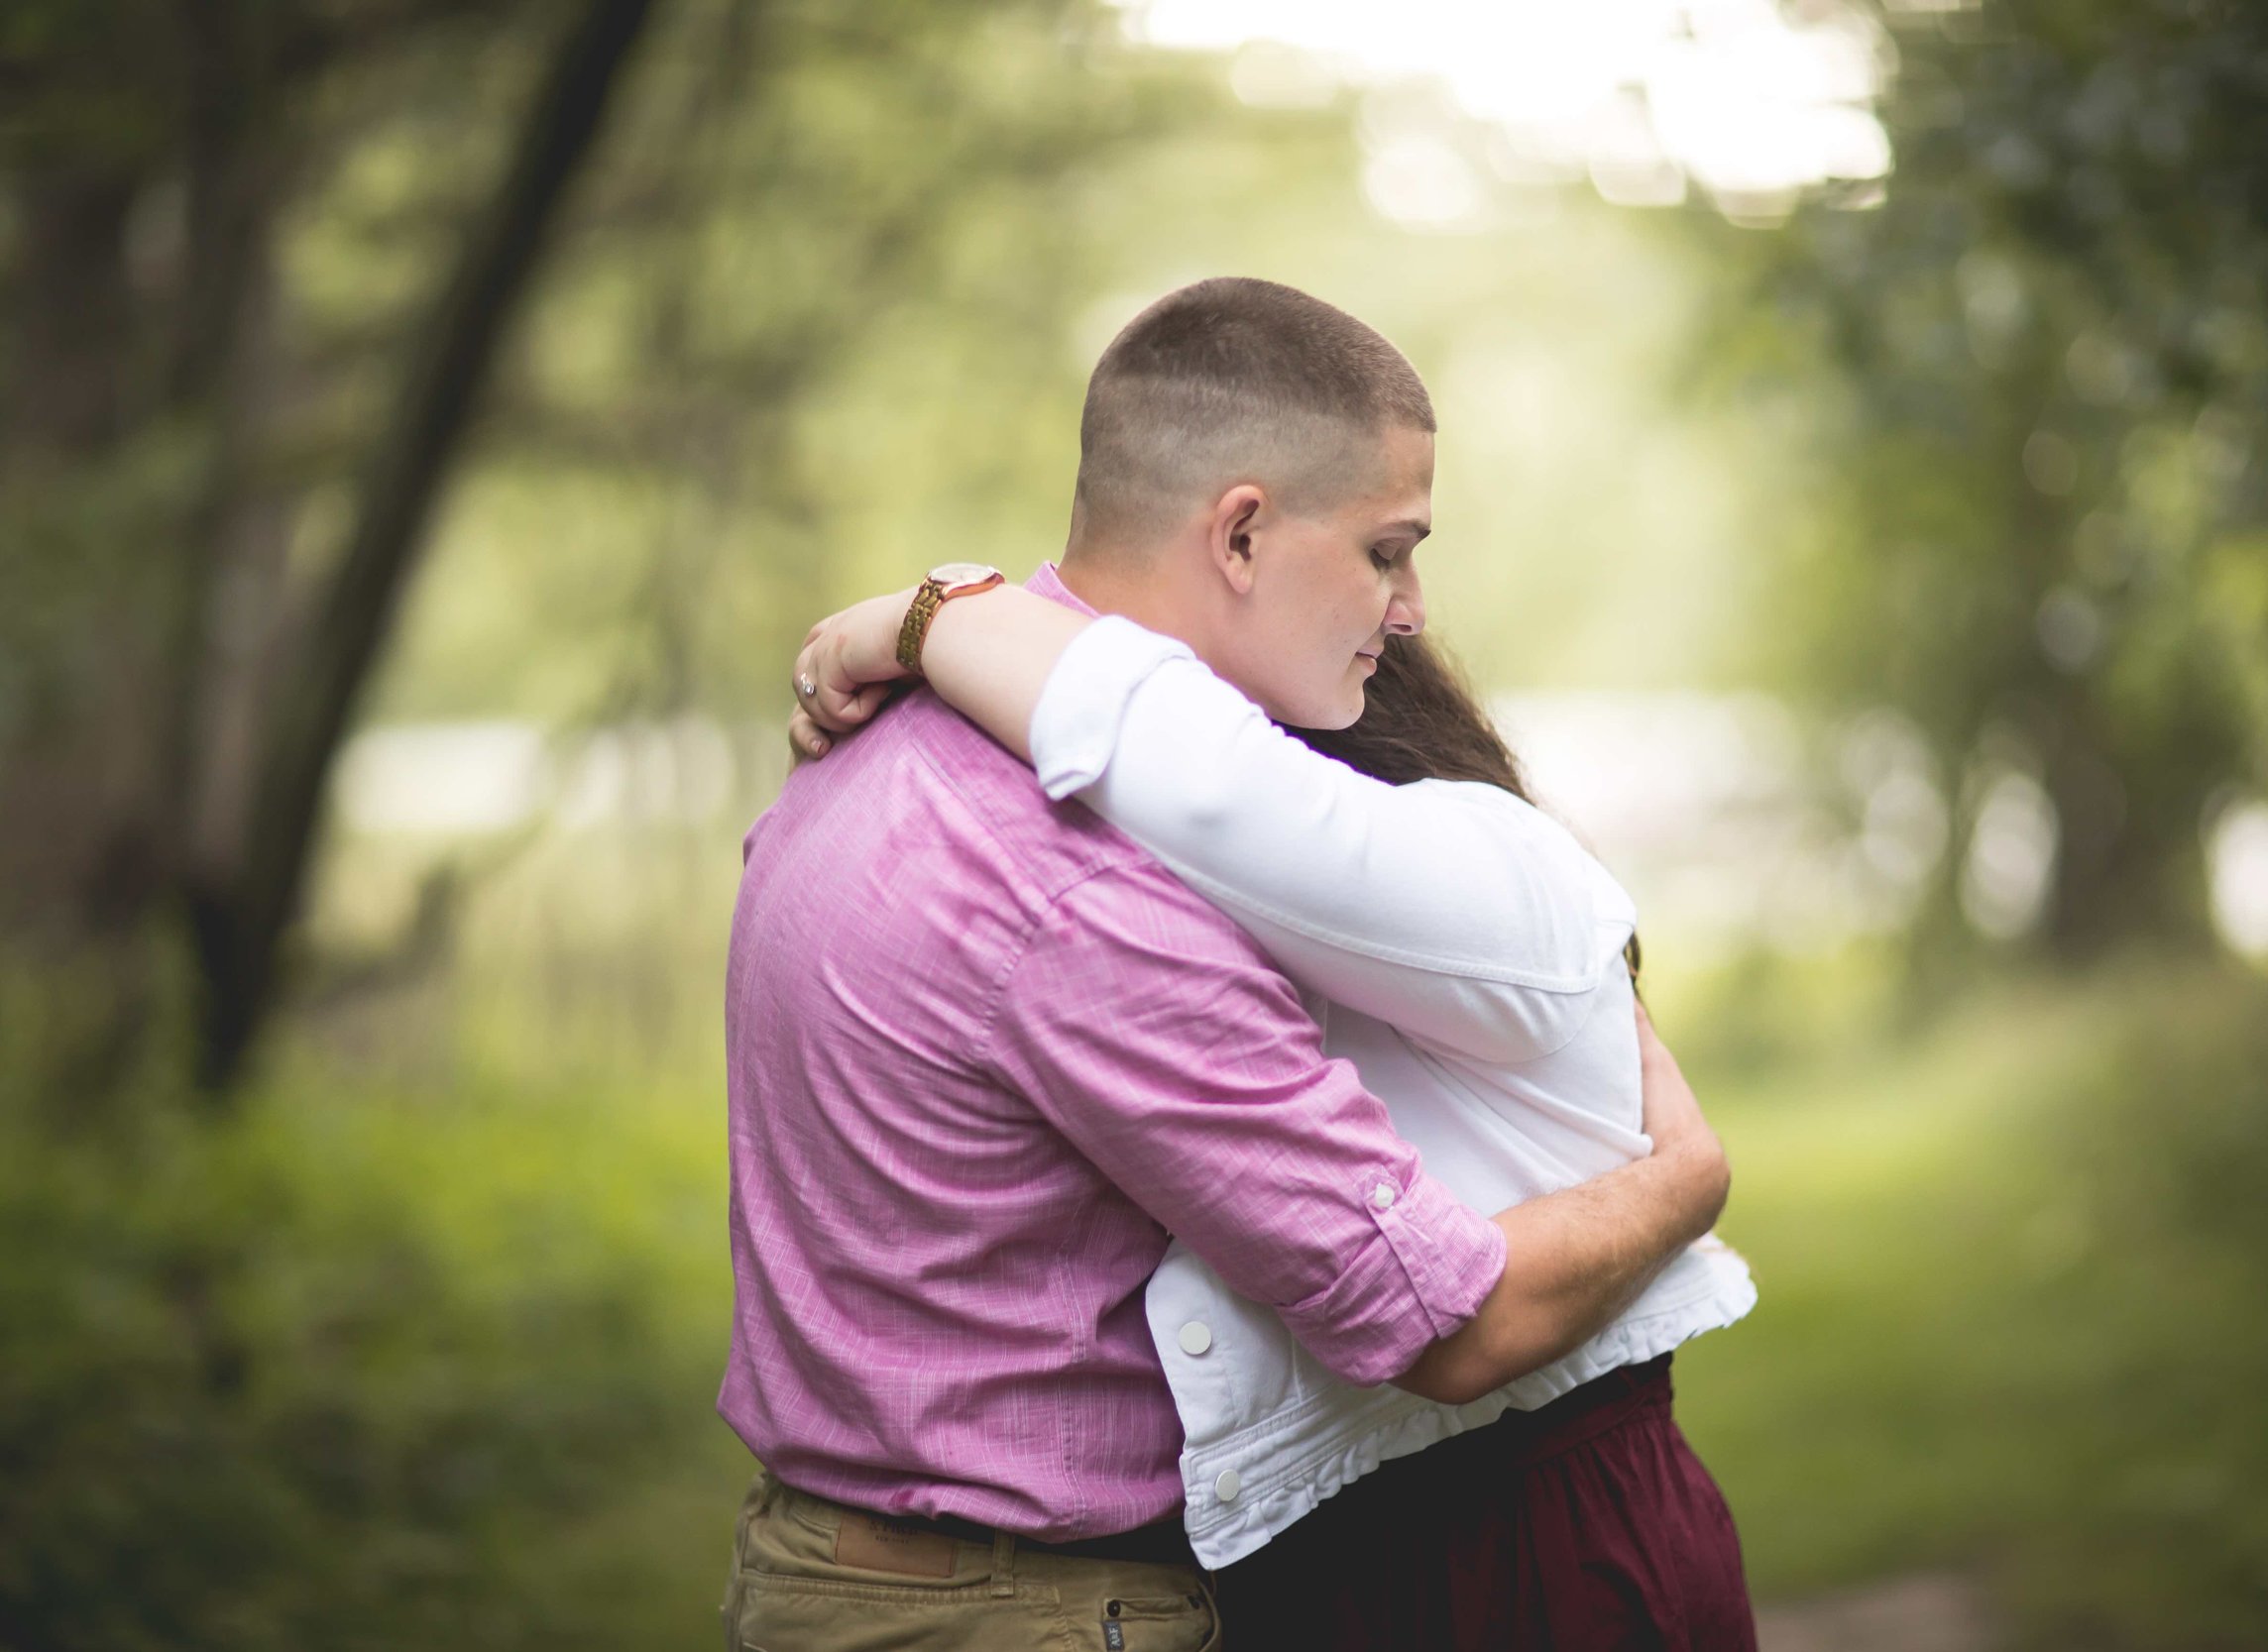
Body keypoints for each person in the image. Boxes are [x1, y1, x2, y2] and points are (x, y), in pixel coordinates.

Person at [721, 275, 1736, 1652]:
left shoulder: (867, 756)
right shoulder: (1091, 894)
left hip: (820, 1560)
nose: (1414, 606)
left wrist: (922, 613)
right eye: (1388, 552)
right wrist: (1684, 1180)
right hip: (1018, 1610)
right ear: (1243, 533)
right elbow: (1439, 1322)